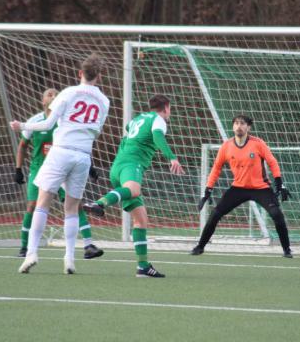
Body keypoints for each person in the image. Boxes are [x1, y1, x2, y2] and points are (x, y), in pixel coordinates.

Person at [10, 53, 110, 274]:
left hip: (61, 151)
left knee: (43, 202)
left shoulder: (69, 92)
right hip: (83, 156)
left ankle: (32, 253)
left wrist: (22, 125)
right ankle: (70, 259)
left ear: (80, 73)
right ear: (99, 77)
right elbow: (96, 131)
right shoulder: (104, 101)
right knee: (72, 208)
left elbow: (47, 123)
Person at [83, 94, 185, 278]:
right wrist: (172, 157)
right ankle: (100, 203)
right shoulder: (158, 120)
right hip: (132, 164)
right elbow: (158, 136)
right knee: (135, 190)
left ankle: (143, 267)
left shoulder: (137, 118)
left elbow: (128, 131)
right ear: (166, 107)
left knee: (141, 220)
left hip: (118, 165)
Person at [14, 88, 103, 260]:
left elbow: (78, 142)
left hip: (63, 167)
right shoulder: (35, 121)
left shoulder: (64, 120)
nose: (53, 96)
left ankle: (88, 245)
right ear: (43, 101)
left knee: (75, 204)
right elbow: (23, 145)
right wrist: (18, 169)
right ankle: (25, 247)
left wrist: (90, 166)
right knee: (33, 206)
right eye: (49, 94)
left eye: (56, 94)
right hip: (40, 168)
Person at [191, 114, 293, 258]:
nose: (239, 126)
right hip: (238, 188)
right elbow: (216, 168)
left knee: (277, 215)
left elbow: (272, 162)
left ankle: (287, 249)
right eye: (236, 123)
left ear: (248, 127)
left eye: (243, 123)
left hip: (260, 188)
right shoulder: (226, 146)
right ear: (233, 127)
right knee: (215, 214)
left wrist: (279, 183)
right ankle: (200, 247)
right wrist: (207, 191)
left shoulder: (258, 143)